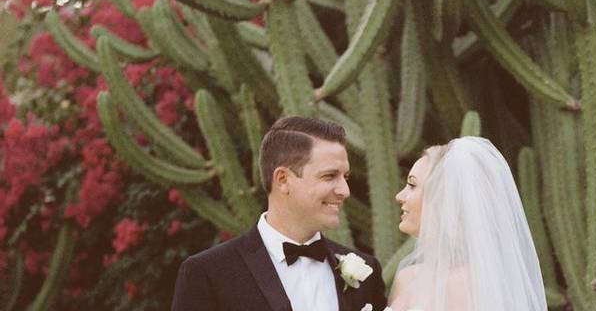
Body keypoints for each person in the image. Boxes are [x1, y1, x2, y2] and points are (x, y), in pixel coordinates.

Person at [172, 116, 387, 311]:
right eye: (330, 176)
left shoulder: (367, 272)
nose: (345, 191)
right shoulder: (209, 273)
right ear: (283, 179)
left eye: (345, 177)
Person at [389, 137, 548, 311]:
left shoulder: (482, 285)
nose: (399, 196)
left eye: (412, 185)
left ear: (442, 200)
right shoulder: (406, 278)